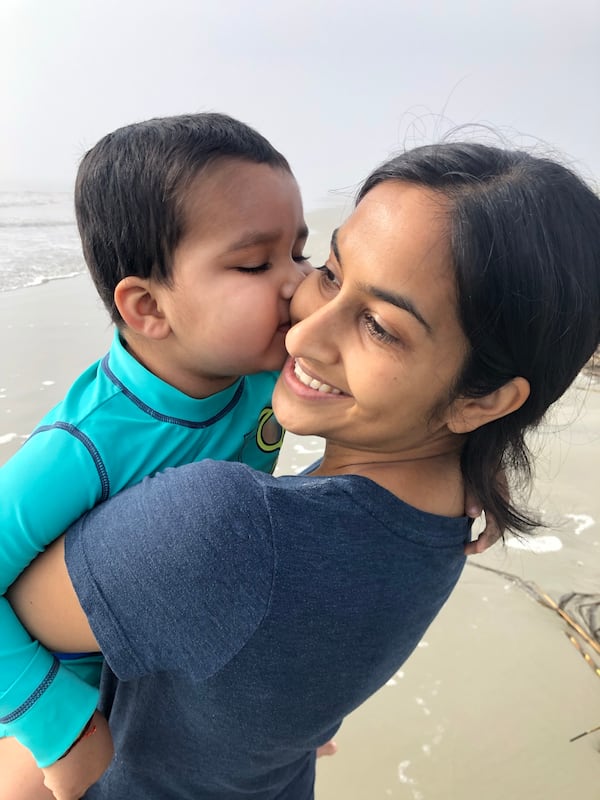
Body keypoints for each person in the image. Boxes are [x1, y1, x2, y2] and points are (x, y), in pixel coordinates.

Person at [9, 141, 600, 800]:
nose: (300, 335)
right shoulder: (444, 517)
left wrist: (57, 731)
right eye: (329, 270)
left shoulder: (224, 532)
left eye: (378, 325)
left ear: (482, 401)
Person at [0, 112, 311, 798]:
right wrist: (59, 724)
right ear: (147, 307)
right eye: (258, 263)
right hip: (59, 682)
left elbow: (367, 439)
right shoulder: (86, 446)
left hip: (170, 655)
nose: (297, 282)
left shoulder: (264, 371)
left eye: (301, 251)